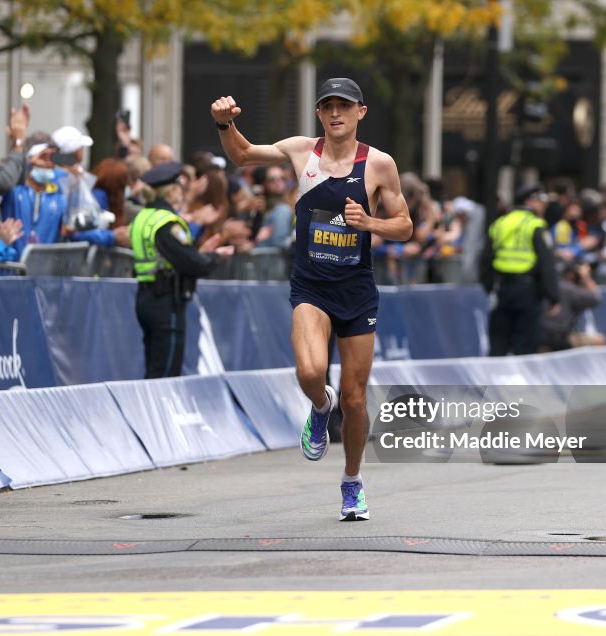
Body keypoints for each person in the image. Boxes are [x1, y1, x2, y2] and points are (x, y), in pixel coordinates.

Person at [211, 77, 413, 521]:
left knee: (356, 398)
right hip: (312, 287)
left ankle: (352, 482)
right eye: (328, 106)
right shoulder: (302, 151)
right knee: (309, 371)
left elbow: (405, 225)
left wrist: (371, 224)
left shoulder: (379, 165)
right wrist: (225, 125)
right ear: (319, 113)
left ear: (361, 112)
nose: (336, 113)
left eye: (345, 106)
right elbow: (244, 155)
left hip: (357, 292)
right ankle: (321, 408)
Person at [130, 161, 233, 379]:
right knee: (166, 371)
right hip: (166, 301)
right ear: (173, 191)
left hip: (146, 297)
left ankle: (150, 411)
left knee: (154, 366)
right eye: (181, 189)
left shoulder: (143, 217)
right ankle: (158, 413)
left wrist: (200, 253)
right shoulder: (166, 222)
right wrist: (215, 256)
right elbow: (193, 264)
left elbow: (174, 256)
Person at [480, 183, 560, 356]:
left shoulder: (500, 223)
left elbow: (485, 260)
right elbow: (547, 264)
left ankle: (494, 381)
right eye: (541, 200)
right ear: (530, 201)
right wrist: (553, 297)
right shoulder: (536, 225)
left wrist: (489, 287)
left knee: (498, 343)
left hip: (501, 289)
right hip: (528, 291)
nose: (544, 205)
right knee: (525, 344)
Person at [540, 261, 605, 351]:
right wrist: (586, 277)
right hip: (561, 339)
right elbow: (596, 298)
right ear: (570, 274)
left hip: (539, 337)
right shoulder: (569, 289)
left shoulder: (545, 286)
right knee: (599, 340)